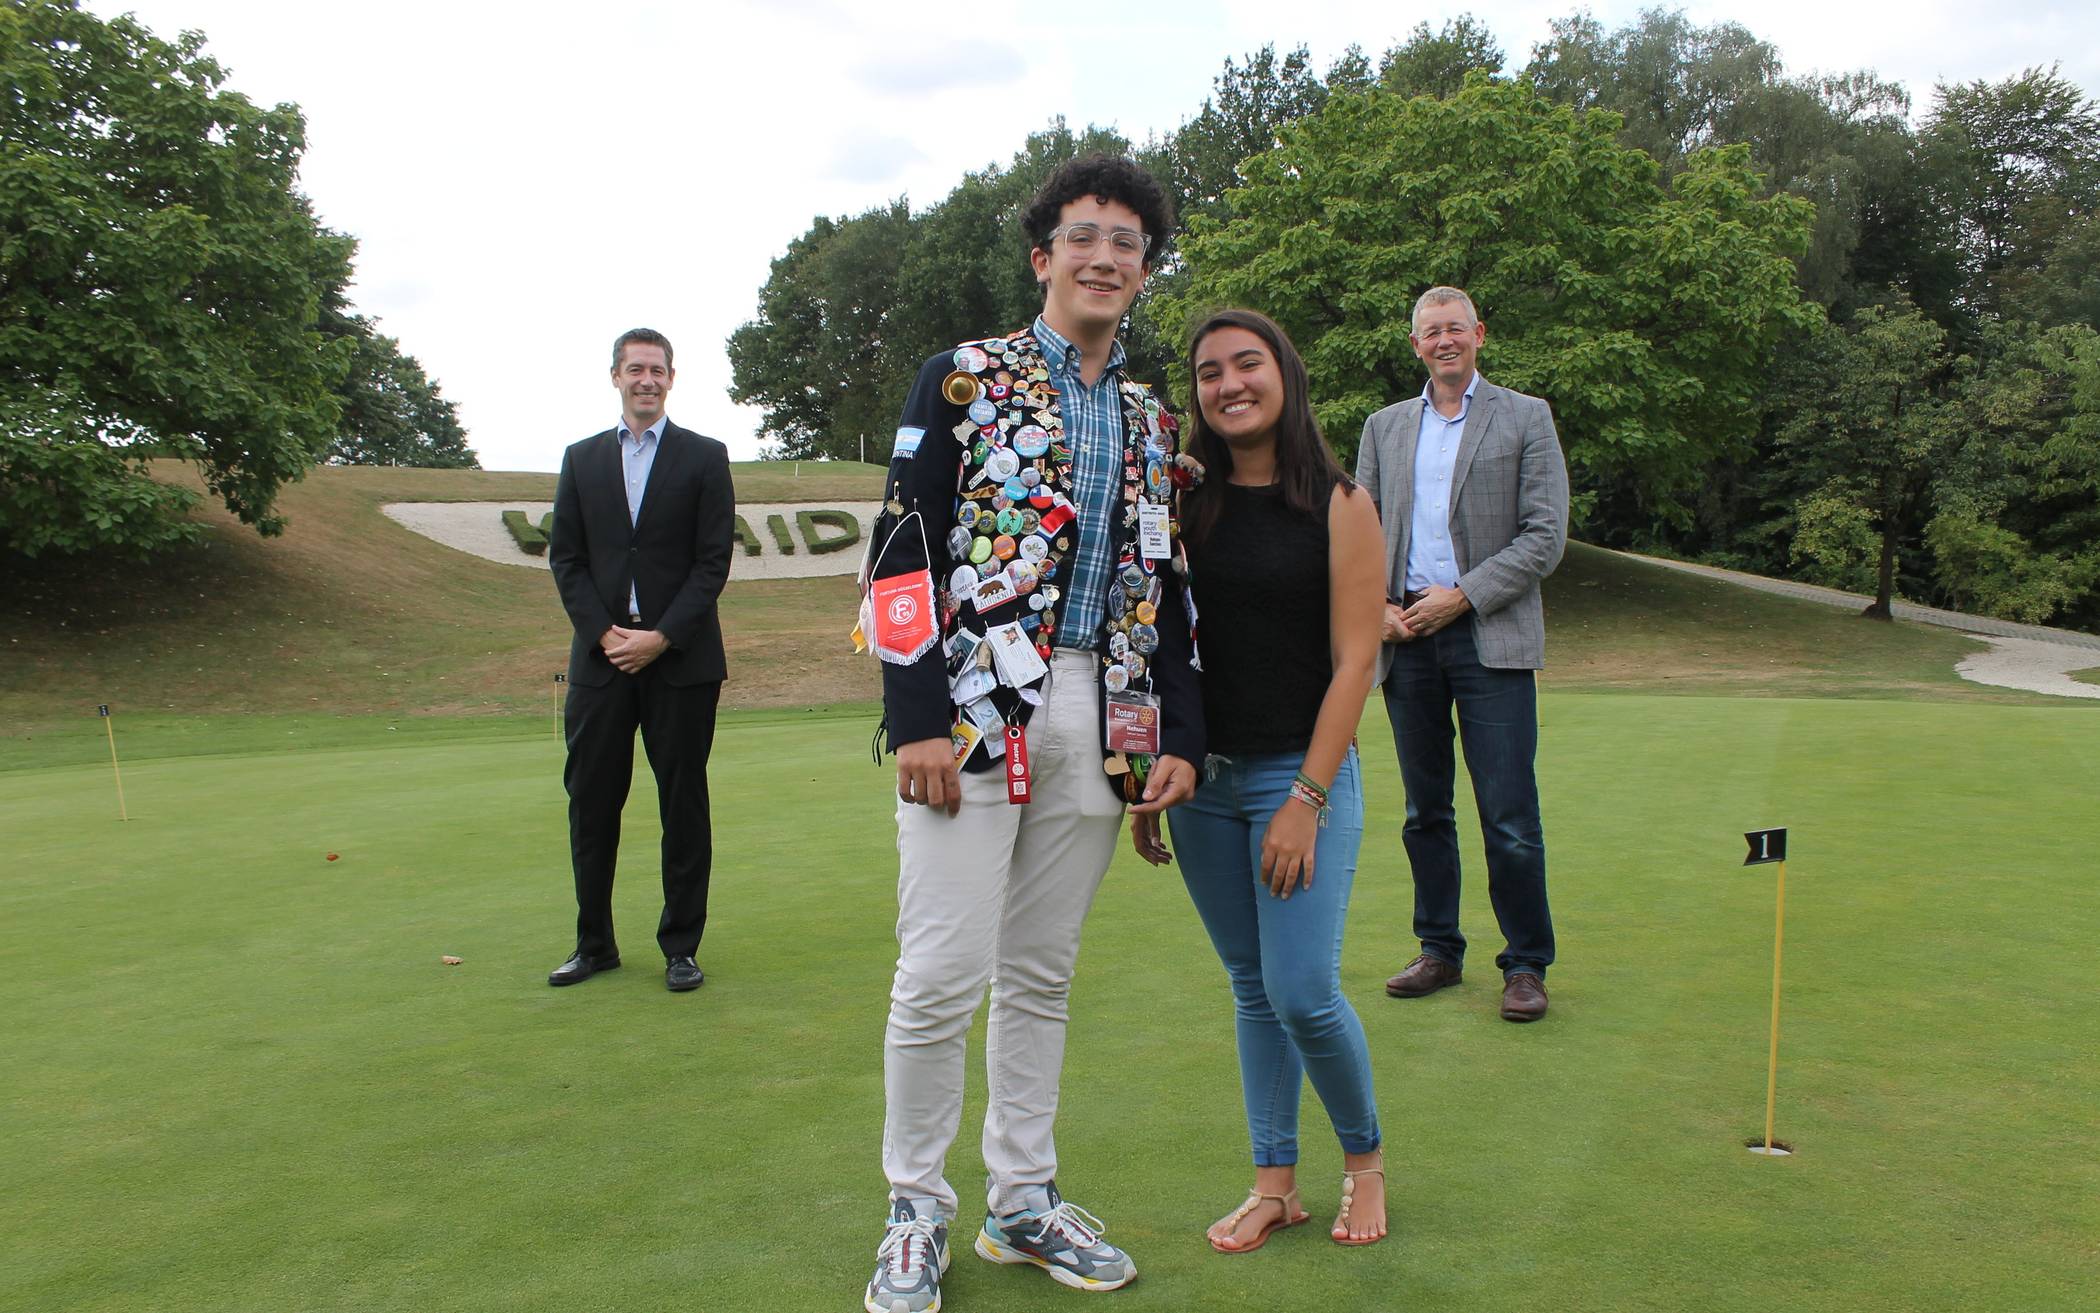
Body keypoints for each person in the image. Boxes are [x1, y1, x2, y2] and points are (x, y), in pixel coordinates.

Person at [861, 154, 1203, 1313]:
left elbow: (1166, 583)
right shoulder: (963, 376)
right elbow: (902, 540)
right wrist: (911, 717)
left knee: (1042, 975)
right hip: (969, 709)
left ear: (1144, 270)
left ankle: (1022, 1198)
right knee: (941, 974)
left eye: (1128, 244)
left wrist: (1176, 736)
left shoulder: (1154, 416)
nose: (1107, 257)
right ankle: (915, 1208)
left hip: (1102, 715)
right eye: (1086, 236)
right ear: (1043, 254)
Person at [1131, 309, 1389, 1252]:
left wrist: (1307, 800)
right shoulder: (1181, 503)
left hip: (1300, 772)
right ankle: (1273, 1182)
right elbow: (1160, 647)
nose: (1230, 384)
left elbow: (1357, 662)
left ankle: (1364, 1163)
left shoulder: (1341, 501)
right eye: (1209, 372)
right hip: (1205, 782)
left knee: (1304, 989)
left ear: (1284, 374)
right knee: (1252, 986)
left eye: (1248, 364)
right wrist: (1153, 767)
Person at [1354, 287, 1569, 1022]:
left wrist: (1465, 595)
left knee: (1508, 812)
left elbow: (1544, 536)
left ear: (1478, 334)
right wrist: (1377, 604)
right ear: (1415, 345)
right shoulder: (1383, 427)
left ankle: (1526, 962)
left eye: (1455, 328)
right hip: (1407, 638)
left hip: (1490, 637)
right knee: (1423, 810)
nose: (1444, 341)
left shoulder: (1525, 416)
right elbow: (1364, 529)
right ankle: (1439, 947)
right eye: (1430, 332)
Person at [545, 328, 735, 993]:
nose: (646, 379)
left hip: (680, 661)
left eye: (657, 369)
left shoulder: (705, 457)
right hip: (601, 663)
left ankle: (680, 945)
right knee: (590, 802)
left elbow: (713, 563)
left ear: (671, 379)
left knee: (683, 803)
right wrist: (603, 633)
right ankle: (593, 942)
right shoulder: (582, 459)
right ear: (616, 377)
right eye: (635, 369)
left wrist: (660, 636)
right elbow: (565, 559)